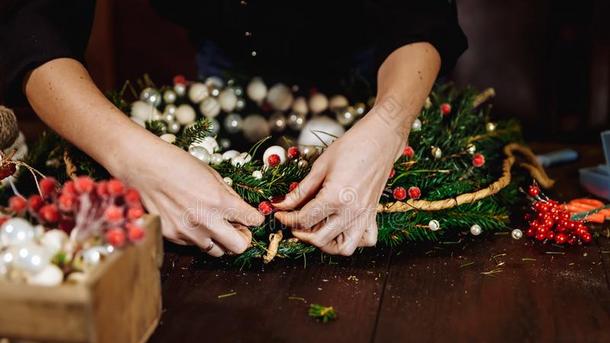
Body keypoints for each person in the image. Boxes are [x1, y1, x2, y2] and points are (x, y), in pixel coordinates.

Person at [0, 0, 467, 257]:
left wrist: (387, 126)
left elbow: (420, 16)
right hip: (226, 66)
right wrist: (130, 152)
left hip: (376, 62)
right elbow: (31, 23)